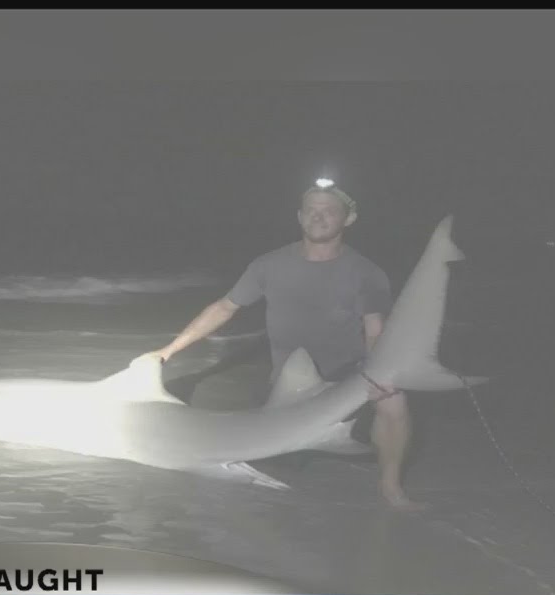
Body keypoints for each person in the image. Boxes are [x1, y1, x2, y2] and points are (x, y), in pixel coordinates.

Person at [134, 181, 423, 510]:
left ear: (348, 219)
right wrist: (168, 350)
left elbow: (375, 329)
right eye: (312, 210)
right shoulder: (268, 265)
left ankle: (391, 485)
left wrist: (377, 375)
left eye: (329, 210)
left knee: (394, 402)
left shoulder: (366, 272)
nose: (319, 216)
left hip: (346, 377)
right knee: (266, 463)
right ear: (300, 217)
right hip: (289, 382)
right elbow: (224, 307)